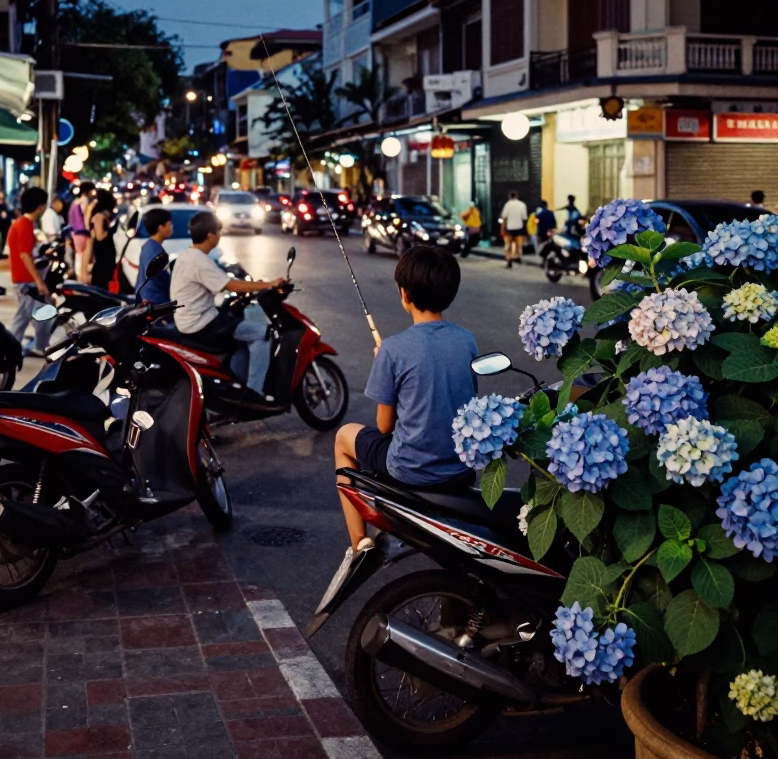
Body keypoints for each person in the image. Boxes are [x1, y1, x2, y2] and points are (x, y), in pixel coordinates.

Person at [321, 247, 477, 603]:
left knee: (345, 437)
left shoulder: (393, 349)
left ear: (404, 295)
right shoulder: (467, 340)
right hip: (460, 467)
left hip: (410, 468)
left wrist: (385, 366)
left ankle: (359, 542)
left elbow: (384, 425)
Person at [170, 210, 285, 395]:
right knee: (263, 333)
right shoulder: (200, 261)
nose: (220, 236)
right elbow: (232, 285)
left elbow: (220, 284)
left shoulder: (186, 256)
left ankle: (235, 385)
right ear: (210, 236)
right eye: (218, 232)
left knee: (238, 331)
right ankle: (254, 393)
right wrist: (270, 284)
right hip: (201, 325)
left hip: (189, 320)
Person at [7, 187, 51, 357]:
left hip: (23, 279)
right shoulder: (24, 224)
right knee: (42, 316)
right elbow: (25, 255)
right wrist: (39, 282)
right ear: (40, 206)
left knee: (24, 318)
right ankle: (38, 347)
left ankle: (13, 348)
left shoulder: (22, 223)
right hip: (26, 280)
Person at [136, 208, 174, 304]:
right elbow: (161, 280)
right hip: (155, 302)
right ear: (160, 228)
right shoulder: (156, 251)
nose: (172, 227)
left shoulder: (149, 245)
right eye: (169, 224)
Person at [88, 189, 118, 290]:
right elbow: (99, 235)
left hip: (106, 252)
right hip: (103, 252)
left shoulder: (102, 215)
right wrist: (111, 232)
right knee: (103, 276)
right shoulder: (99, 216)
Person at [68, 180, 96, 280]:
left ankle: (79, 278)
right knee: (84, 257)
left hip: (75, 233)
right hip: (83, 232)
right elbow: (86, 217)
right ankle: (82, 279)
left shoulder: (74, 202)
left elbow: (70, 220)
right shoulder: (85, 201)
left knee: (78, 256)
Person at [499, 190, 528, 267]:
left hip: (510, 228)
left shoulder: (507, 205)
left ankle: (509, 259)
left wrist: (503, 227)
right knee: (518, 244)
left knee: (508, 245)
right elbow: (524, 217)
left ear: (510, 197)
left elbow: (504, 216)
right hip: (519, 227)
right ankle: (517, 257)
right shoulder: (522, 205)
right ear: (517, 196)